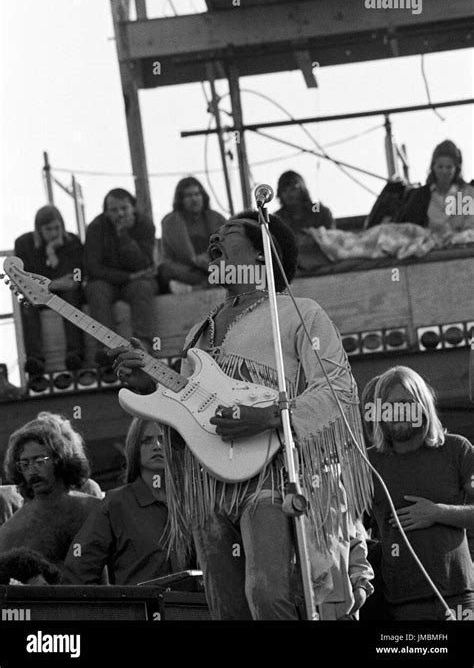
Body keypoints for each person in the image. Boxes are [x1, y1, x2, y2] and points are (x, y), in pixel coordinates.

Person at [111, 211, 372, 620]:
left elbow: (338, 389)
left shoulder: (299, 312)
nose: (215, 235)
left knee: (267, 596)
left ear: (261, 255)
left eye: (230, 233)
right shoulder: (199, 332)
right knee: (226, 608)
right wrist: (147, 384)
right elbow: (185, 412)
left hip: (273, 473)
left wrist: (270, 417)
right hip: (208, 484)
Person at [367, 366, 474, 620]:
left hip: (459, 595)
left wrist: (437, 512)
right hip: (401, 601)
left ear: (422, 405)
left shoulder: (457, 449)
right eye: (390, 405)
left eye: (406, 403)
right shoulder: (367, 461)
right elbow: (346, 527)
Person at [62, 418, 180, 585]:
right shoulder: (115, 504)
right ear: (134, 448)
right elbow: (78, 572)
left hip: (196, 610)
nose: (157, 446)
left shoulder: (194, 503)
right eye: (146, 441)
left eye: (163, 439)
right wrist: (110, 611)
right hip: (140, 609)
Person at [0, 416, 100, 568]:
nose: (32, 470)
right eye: (25, 464)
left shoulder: (95, 510)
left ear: (59, 460)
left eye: (40, 461)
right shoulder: (10, 533)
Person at [84, 188, 157, 366]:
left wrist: (124, 236)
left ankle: (143, 345)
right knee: (95, 288)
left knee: (144, 287)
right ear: (106, 212)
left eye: (124, 208)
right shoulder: (95, 228)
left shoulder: (145, 225)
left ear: (133, 207)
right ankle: (107, 347)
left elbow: (144, 264)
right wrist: (129, 276)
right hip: (110, 281)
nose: (120, 214)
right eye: (114, 210)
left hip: (136, 281)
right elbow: (92, 269)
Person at [14, 205, 84, 375]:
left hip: (67, 293)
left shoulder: (72, 242)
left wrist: (53, 254)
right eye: (48, 229)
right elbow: (25, 280)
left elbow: (75, 278)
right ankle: (35, 359)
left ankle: (75, 354)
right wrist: (53, 284)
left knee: (71, 296)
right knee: (26, 302)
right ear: (39, 230)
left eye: (57, 228)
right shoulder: (24, 244)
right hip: (39, 295)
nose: (54, 233)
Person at [160, 176, 226, 291]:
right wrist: (195, 260)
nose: (194, 199)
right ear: (181, 199)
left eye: (197, 194)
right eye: (189, 196)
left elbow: (228, 247)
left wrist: (208, 259)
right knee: (165, 269)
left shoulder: (217, 218)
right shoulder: (170, 222)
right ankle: (207, 283)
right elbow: (168, 259)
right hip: (187, 270)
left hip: (214, 266)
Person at [397, 140, 474, 235]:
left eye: (449, 167)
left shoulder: (467, 193)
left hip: (461, 247)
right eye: (440, 167)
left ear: (456, 169)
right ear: (433, 167)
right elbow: (409, 227)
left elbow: (470, 226)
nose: (444, 171)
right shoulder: (421, 196)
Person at [273, 171, 335, 274]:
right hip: (293, 264)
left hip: (320, 258)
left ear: (302, 189)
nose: (289, 193)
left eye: (293, 188)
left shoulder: (316, 209)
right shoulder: (278, 218)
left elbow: (331, 237)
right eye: (284, 190)